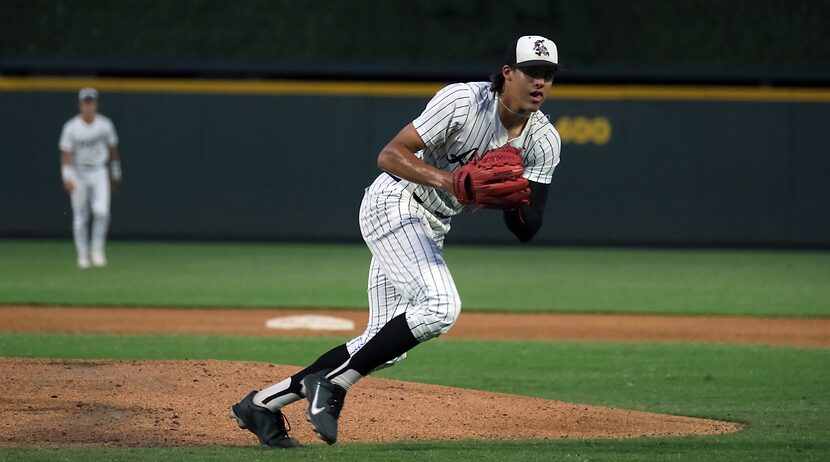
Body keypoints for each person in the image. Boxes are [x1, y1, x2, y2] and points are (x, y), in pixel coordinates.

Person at [230, 35, 563, 448]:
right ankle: (333, 385)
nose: (540, 82)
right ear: (508, 73)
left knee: (384, 344)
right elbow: (390, 155)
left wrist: (512, 199)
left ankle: (261, 404)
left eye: (548, 75)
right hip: (394, 201)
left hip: (433, 225)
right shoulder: (462, 102)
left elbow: (527, 229)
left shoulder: (544, 141)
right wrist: (452, 182)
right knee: (441, 306)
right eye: (532, 72)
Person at [59, 87, 122, 269]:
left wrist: (116, 172)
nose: (88, 106)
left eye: (91, 102)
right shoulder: (71, 127)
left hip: (99, 171)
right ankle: (83, 255)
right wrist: (66, 176)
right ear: (80, 104)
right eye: (85, 102)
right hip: (78, 171)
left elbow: (112, 149)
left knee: (102, 212)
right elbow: (66, 153)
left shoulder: (105, 125)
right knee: (80, 217)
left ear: (96, 104)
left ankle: (97, 251)